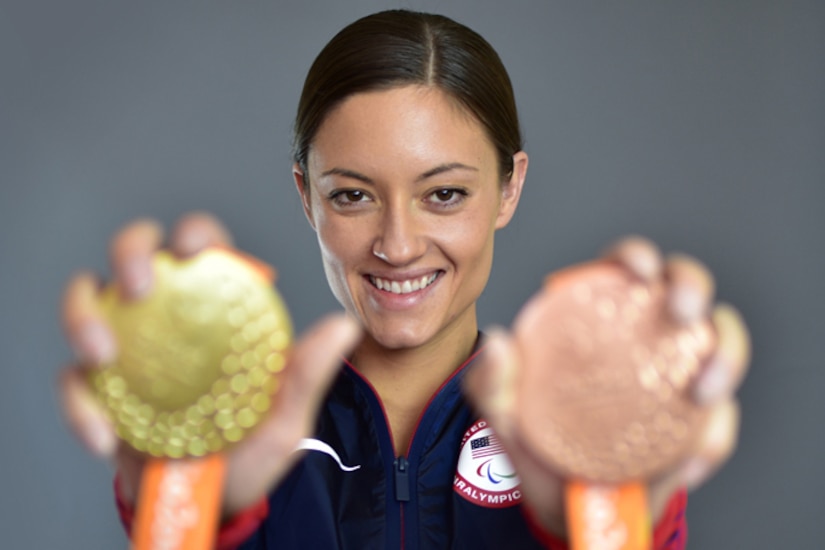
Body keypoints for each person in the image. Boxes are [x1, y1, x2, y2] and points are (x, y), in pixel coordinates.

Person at [58, 9, 750, 549]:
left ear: (509, 190)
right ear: (306, 197)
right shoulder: (237, 434)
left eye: (443, 194)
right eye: (352, 195)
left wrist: (612, 520)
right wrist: (190, 517)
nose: (397, 244)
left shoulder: (578, 432)